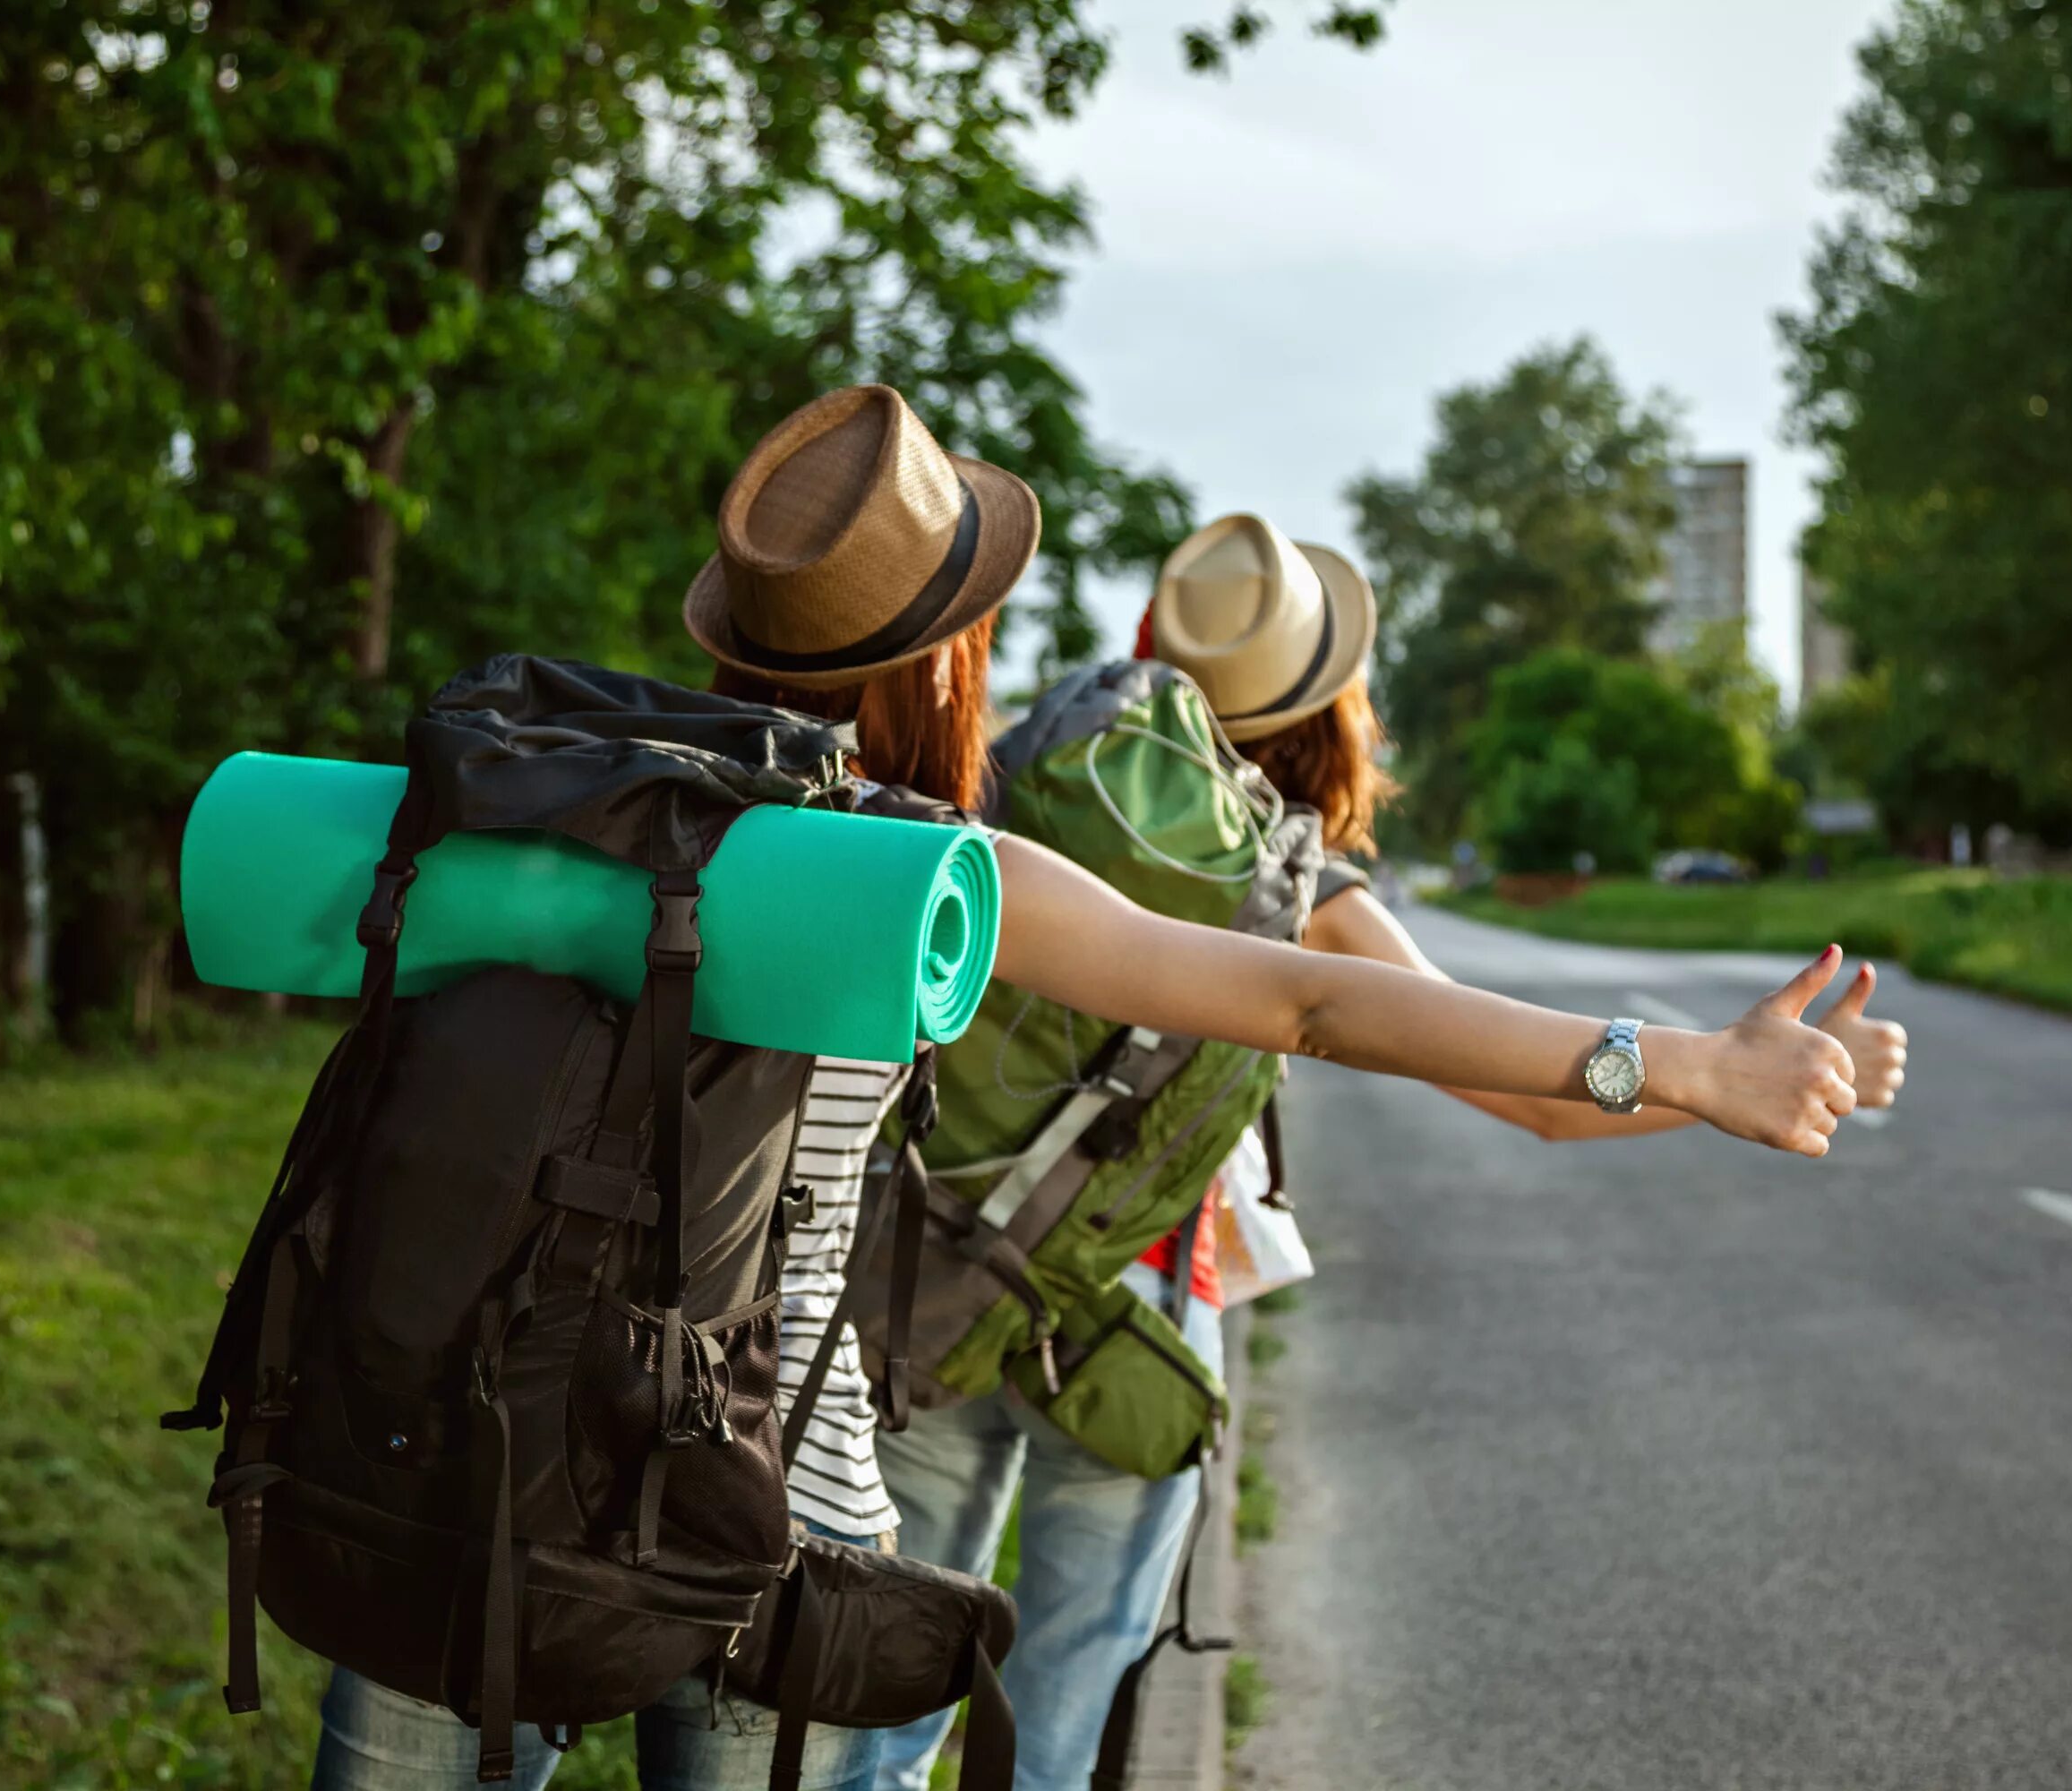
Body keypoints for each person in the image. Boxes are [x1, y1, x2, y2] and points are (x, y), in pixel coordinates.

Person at [309, 388, 1863, 1791]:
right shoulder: (924, 865)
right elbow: (1314, 1004)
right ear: (949, 649)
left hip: (455, 1450)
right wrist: (1691, 1065)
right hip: (768, 1504)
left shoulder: (544, 800)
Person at [866, 510, 1911, 1791]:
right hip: (1135, 1309)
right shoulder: (1301, 883)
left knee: (888, 1695)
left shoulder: (1003, 780)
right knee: (1065, 1702)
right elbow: (1532, 1096)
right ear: (1327, 710)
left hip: (938, 1268)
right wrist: (1728, 1079)